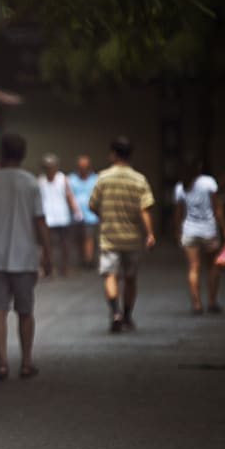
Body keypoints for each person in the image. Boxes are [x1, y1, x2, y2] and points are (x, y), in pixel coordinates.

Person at [0, 134, 52, 381]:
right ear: (23, 153)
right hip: (25, 257)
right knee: (25, 311)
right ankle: (26, 363)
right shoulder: (30, 183)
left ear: (2, 152)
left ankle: (3, 365)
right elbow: (40, 221)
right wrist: (47, 253)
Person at [88, 137, 156, 333]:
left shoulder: (103, 178)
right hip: (132, 239)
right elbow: (144, 209)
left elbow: (93, 205)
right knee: (130, 278)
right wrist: (149, 234)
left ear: (114, 154)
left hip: (109, 237)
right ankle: (127, 315)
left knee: (110, 275)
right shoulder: (139, 179)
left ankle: (115, 312)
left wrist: (105, 215)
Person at [173, 157, 225, 314]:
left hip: (189, 231)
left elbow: (178, 214)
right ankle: (212, 302)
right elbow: (217, 208)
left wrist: (177, 231)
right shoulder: (208, 182)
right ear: (199, 167)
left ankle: (196, 304)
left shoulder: (180, 187)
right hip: (209, 231)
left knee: (193, 267)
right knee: (212, 266)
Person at [38, 153, 82, 277]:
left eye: (51, 167)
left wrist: (76, 210)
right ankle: (49, 267)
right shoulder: (40, 181)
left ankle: (65, 267)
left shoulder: (63, 179)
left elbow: (69, 196)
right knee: (47, 245)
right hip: (47, 217)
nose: (49, 170)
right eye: (47, 167)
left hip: (62, 216)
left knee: (65, 244)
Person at [67, 155, 99, 269]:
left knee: (88, 236)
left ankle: (88, 260)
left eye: (85, 167)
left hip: (90, 214)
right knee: (78, 239)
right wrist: (74, 209)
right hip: (75, 214)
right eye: (81, 167)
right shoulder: (71, 178)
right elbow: (68, 195)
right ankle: (83, 258)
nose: (83, 169)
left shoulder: (95, 178)